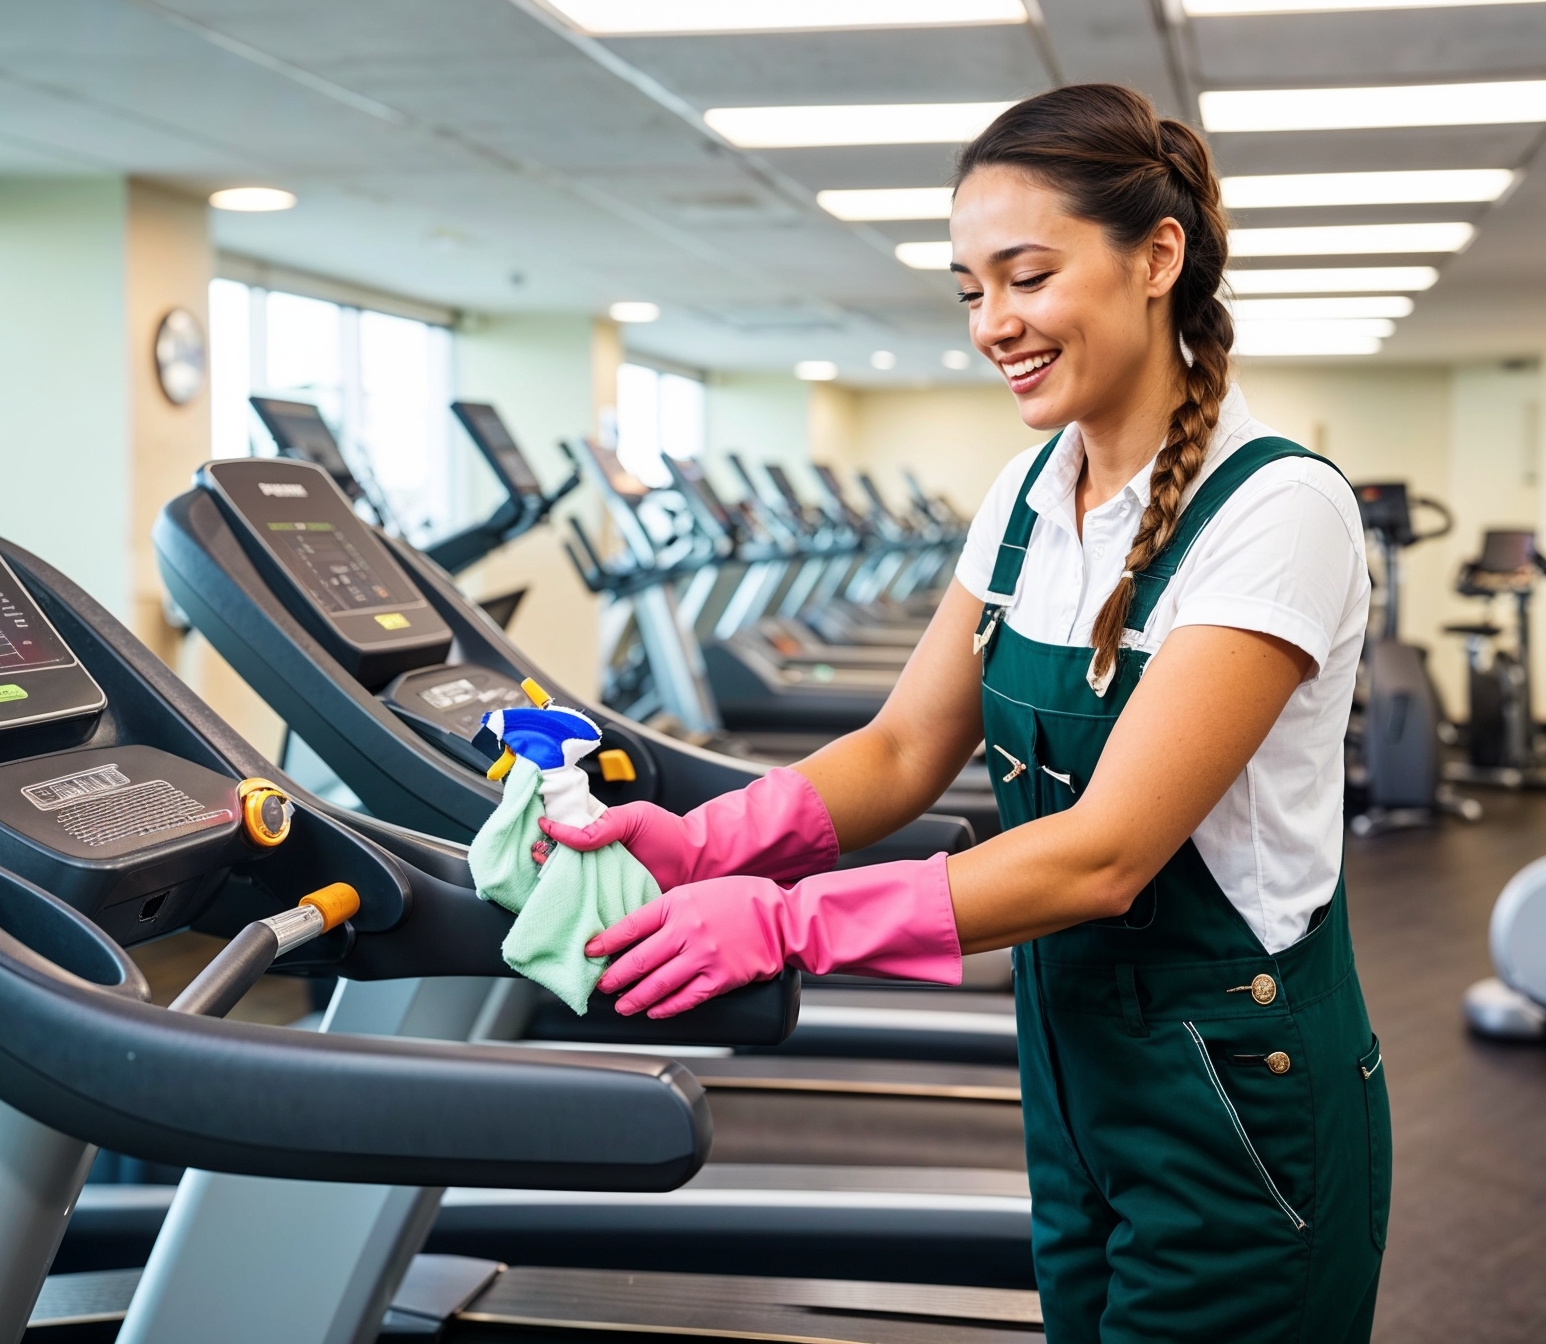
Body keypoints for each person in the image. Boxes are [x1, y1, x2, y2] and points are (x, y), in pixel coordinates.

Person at [544, 82, 1388, 1344]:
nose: (993, 323)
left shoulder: (1277, 511)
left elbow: (1106, 856)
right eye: (967, 290)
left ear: (1157, 258)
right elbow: (899, 748)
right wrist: (707, 841)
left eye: (1027, 276)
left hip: (1237, 1094)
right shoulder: (1029, 489)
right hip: (1071, 1065)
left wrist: (784, 923)